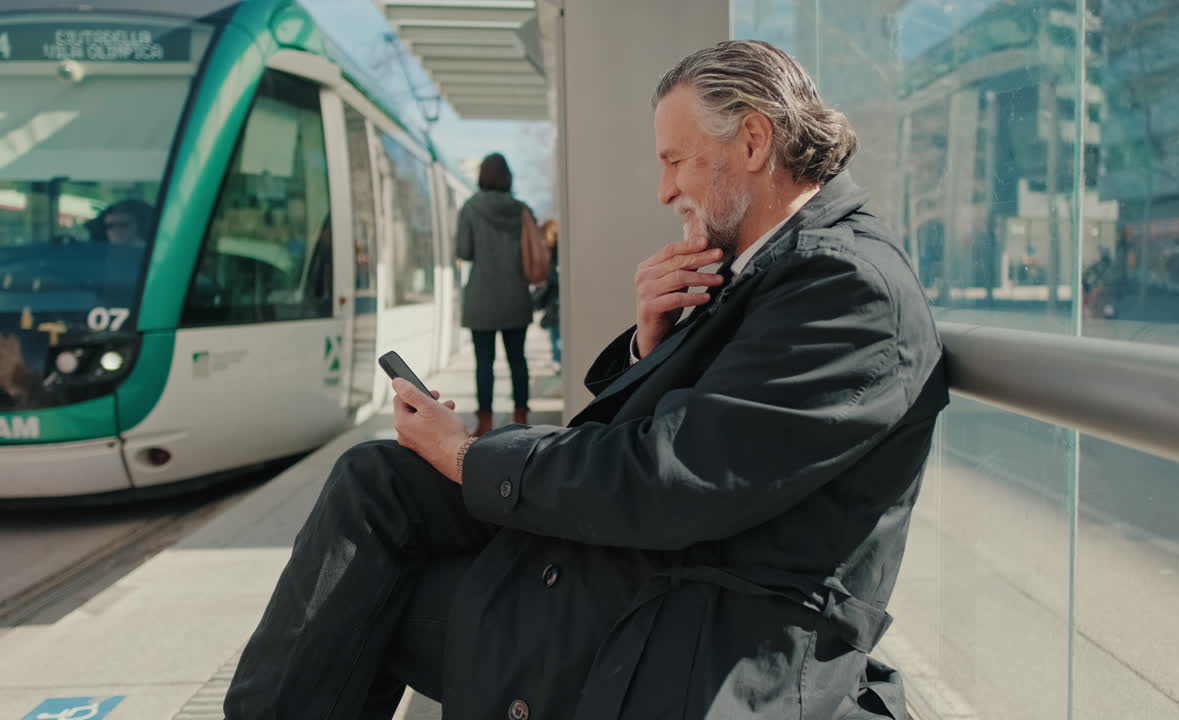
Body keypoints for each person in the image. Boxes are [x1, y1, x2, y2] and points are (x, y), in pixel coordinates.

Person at [224, 40, 949, 720]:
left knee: (366, 599)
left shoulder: (845, 285)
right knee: (377, 482)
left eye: (676, 161)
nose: (664, 190)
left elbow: (673, 476)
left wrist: (465, 454)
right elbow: (695, 443)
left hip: (698, 630)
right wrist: (650, 341)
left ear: (754, 142)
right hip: (653, 573)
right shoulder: (773, 263)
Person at [455, 152, 534, 436]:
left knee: (484, 363)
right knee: (518, 360)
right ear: (508, 178)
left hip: (482, 298)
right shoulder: (522, 210)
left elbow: (464, 251)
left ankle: (485, 421)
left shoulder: (470, 208)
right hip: (516, 296)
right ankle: (521, 415)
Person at [533, 218, 562, 370]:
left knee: (556, 331)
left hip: (555, 298)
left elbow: (552, 277)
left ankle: (558, 359)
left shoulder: (555, 252)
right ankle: (557, 358)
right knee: (555, 330)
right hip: (554, 298)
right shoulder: (557, 250)